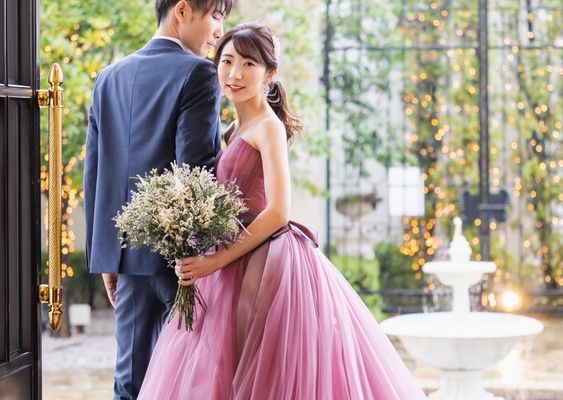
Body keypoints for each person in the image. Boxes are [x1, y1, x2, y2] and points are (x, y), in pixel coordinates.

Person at [138, 22, 427, 399]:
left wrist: (215, 261)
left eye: (248, 64)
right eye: (227, 61)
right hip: (231, 261)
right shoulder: (232, 130)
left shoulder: (268, 128)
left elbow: (278, 211)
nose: (235, 73)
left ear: (270, 74)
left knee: (269, 372)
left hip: (267, 263)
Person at [84, 1, 233, 398]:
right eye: (216, 16)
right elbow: (196, 170)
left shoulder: (108, 77)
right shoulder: (199, 72)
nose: (219, 31)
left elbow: (96, 172)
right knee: (185, 382)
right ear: (182, 10)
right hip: (183, 262)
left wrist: (107, 258)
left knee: (130, 383)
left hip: (126, 260)